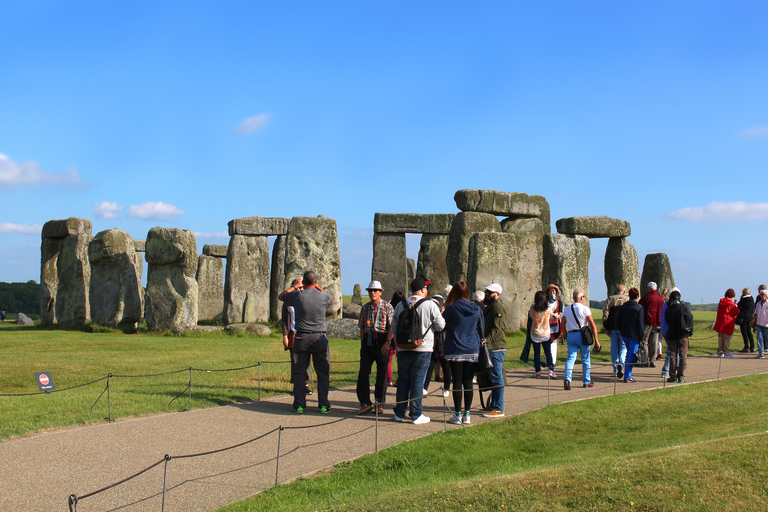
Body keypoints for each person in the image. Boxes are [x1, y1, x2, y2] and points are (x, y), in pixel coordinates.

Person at [278, 270, 335, 414]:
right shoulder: (322, 296)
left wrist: (295, 286)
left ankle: (299, 405)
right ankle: (324, 404)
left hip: (301, 337)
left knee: (299, 373)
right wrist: (318, 287)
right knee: (323, 372)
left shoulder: (298, 295)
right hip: (319, 336)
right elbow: (332, 300)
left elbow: (281, 296)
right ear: (315, 282)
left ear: (303, 282)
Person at [391, 278, 445, 425]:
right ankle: (416, 414)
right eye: (425, 288)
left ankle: (399, 413)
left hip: (403, 348)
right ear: (422, 289)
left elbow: (394, 325)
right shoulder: (430, 304)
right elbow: (440, 325)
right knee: (417, 382)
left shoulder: (401, 305)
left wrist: (397, 342)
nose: (426, 290)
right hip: (422, 348)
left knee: (403, 382)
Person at [442, 281, 484, 424]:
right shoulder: (476, 308)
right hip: (472, 348)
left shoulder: (452, 308)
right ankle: (467, 414)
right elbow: (481, 329)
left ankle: (457, 414)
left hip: (455, 348)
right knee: (468, 382)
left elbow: (442, 325)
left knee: (457, 382)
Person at [356, 280, 394, 415]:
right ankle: (365, 402)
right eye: (370, 291)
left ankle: (379, 402)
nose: (373, 293)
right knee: (363, 373)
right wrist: (363, 344)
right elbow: (361, 327)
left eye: (375, 290)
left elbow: (392, 327)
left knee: (381, 374)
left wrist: (388, 342)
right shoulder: (365, 308)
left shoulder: (387, 307)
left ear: (380, 292)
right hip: (368, 341)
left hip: (382, 340)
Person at [559, 290, 600, 390]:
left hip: (571, 334)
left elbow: (562, 324)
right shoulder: (585, 309)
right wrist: (596, 340)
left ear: (573, 298)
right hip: (582, 335)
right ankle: (586, 381)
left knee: (571, 358)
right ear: (581, 298)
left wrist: (566, 336)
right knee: (585, 359)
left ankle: (567, 378)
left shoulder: (567, 309)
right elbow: (592, 324)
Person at [282, 277, 311, 396]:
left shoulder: (307, 299)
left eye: (302, 287)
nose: (300, 289)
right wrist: (285, 335)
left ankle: (305, 384)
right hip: (293, 333)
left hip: (306, 332)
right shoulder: (288, 301)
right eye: (298, 287)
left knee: (307, 360)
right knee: (295, 360)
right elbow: (285, 320)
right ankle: (297, 385)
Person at [482, 283, 507, 419]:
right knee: (493, 377)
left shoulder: (497, 306)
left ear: (497, 295)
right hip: (492, 346)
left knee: (497, 377)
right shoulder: (492, 306)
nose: (487, 294)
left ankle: (498, 408)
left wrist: (487, 340)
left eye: (490, 292)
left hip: (496, 346)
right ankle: (494, 405)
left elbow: (497, 327)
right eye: (486, 292)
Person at [422, 295, 451, 398]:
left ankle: (446, 388)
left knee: (446, 368)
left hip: (444, 345)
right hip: (433, 346)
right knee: (429, 368)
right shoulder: (430, 314)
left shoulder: (446, 316)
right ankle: (424, 388)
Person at [615, 287, 645, 383]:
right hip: (634, 335)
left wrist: (621, 329)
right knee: (631, 355)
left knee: (628, 353)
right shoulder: (639, 308)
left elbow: (618, 320)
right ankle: (627, 376)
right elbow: (640, 324)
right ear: (637, 296)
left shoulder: (623, 307)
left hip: (624, 333)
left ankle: (626, 372)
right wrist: (642, 337)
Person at [664, 289, 693, 383]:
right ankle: (681, 376)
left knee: (672, 355)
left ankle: (672, 375)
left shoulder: (669, 309)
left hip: (672, 334)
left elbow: (667, 320)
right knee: (683, 355)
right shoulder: (684, 308)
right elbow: (690, 319)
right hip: (683, 335)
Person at [529, 290, 559, 379]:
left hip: (535, 334)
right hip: (545, 334)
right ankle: (551, 370)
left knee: (536, 354)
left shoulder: (532, 309)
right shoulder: (548, 309)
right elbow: (550, 316)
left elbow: (531, 316)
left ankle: (538, 371)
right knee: (548, 353)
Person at [602, 284, 629, 378]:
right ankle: (621, 364)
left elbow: (605, 312)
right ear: (624, 291)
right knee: (623, 347)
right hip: (623, 327)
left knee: (614, 348)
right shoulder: (627, 299)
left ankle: (615, 367)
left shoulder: (610, 299)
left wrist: (606, 326)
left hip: (613, 327)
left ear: (615, 290)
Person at [639, 282, 665, 367]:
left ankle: (645, 360)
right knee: (654, 342)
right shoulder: (661, 298)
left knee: (645, 341)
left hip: (647, 322)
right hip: (657, 323)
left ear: (649, 288)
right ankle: (653, 360)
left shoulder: (646, 298)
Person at [386, 291, 406, 386]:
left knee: (388, 359)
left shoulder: (390, 308)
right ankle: (399, 380)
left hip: (391, 335)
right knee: (400, 360)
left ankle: (389, 379)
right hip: (400, 336)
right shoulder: (403, 308)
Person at [714, 288, 741, 357]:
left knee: (721, 338)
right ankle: (726, 352)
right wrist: (736, 306)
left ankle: (721, 351)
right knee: (727, 338)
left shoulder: (721, 302)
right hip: (728, 322)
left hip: (720, 322)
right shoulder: (730, 304)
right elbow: (737, 312)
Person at [546, 284, 563, 372]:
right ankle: (548, 361)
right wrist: (552, 314)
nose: (552, 292)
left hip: (556, 324)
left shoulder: (559, 302)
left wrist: (558, 316)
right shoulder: (546, 301)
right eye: (551, 290)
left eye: (554, 290)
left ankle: (553, 361)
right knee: (548, 342)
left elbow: (561, 313)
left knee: (554, 342)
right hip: (547, 324)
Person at [737, 288, 756, 353]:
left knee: (744, 332)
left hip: (743, 317)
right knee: (749, 332)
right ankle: (752, 347)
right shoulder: (751, 299)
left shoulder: (743, 300)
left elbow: (738, 306)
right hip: (750, 317)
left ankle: (746, 347)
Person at [752, 286, 768, 359]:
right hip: (759, 324)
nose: (761, 296)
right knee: (759, 338)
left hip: (766, 325)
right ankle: (761, 352)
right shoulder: (758, 304)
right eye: (761, 295)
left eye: (763, 295)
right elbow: (755, 313)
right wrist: (754, 320)